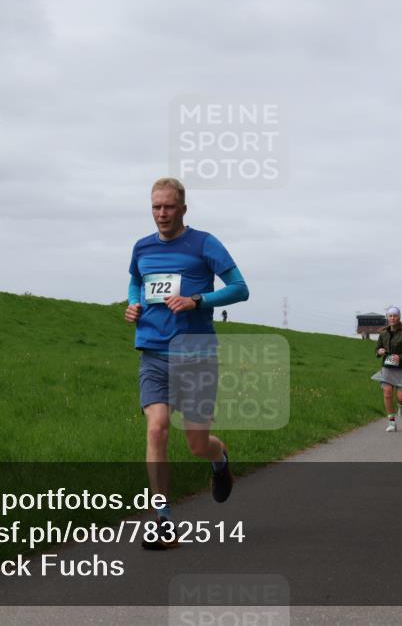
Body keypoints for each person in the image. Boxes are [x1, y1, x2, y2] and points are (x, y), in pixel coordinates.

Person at [124, 177, 249, 550]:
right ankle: (163, 523)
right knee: (157, 429)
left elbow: (240, 288)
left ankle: (219, 459)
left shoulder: (204, 244)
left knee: (196, 444)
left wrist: (197, 300)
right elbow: (135, 281)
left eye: (169, 207)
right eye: (156, 207)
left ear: (183, 209)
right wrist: (132, 304)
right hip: (153, 353)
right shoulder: (142, 247)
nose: (162, 214)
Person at [371, 306, 402, 432]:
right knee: (387, 393)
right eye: (390, 316)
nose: (392, 318)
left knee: (401, 397)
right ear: (387, 318)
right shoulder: (383, 334)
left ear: (399, 317)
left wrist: (401, 357)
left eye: (395, 316)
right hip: (387, 367)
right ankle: (391, 422)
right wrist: (379, 351)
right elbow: (377, 349)